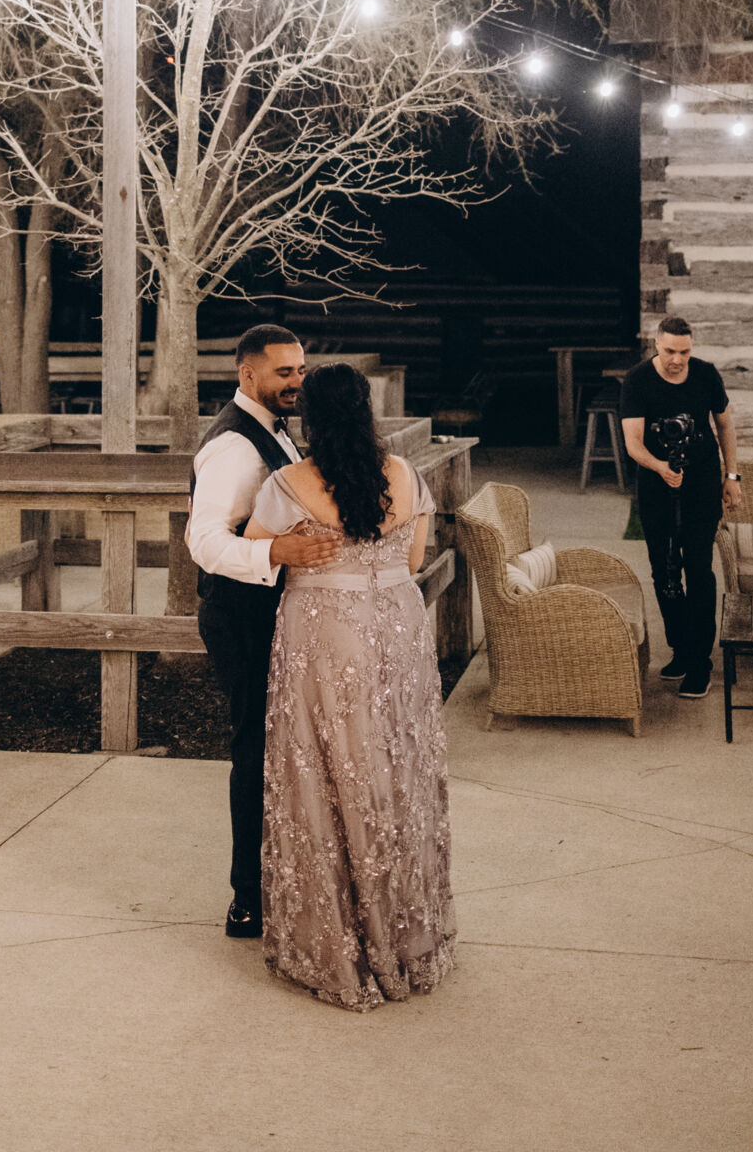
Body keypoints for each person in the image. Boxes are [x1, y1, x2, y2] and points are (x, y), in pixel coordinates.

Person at [243, 361, 456, 1010]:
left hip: (325, 631)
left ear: (310, 418)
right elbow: (413, 561)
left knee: (329, 770)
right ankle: (402, 934)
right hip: (398, 627)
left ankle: (340, 939)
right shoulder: (407, 475)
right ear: (367, 412)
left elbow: (255, 553)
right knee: (394, 765)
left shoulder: (288, 483)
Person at [188, 325, 342, 940]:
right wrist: (277, 551)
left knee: (276, 750)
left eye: (300, 370)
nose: (297, 382)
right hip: (238, 616)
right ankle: (246, 900)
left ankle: (277, 879)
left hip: (266, 610)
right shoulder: (233, 445)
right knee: (254, 750)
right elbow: (204, 542)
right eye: (283, 373)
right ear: (247, 374)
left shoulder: (275, 429)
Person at [619, 315, 743, 701]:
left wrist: (732, 476)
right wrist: (660, 467)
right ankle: (682, 648)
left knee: (698, 568)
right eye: (670, 350)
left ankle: (700, 661)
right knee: (664, 569)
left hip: (701, 482)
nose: (677, 359)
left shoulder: (706, 375)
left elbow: (725, 426)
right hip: (656, 484)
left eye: (685, 352)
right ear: (656, 344)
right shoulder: (637, 380)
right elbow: (633, 442)